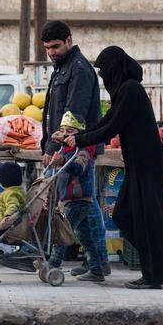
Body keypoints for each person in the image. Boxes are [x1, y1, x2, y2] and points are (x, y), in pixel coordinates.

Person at [65, 46, 163, 289]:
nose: (104, 76)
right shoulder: (124, 91)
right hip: (138, 166)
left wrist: (81, 140)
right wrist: (79, 134)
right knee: (125, 215)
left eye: (105, 70)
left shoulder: (131, 89)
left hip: (148, 166)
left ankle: (153, 275)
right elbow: (106, 121)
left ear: (115, 68)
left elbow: (113, 127)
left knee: (148, 220)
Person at [40, 21, 109, 276]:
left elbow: (73, 115)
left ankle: (86, 263)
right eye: (47, 48)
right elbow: (52, 113)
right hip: (66, 148)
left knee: (76, 205)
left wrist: (55, 148)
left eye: (56, 46)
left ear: (69, 40)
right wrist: (47, 144)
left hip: (78, 149)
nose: (51, 52)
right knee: (76, 205)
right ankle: (94, 264)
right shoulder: (62, 68)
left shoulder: (79, 69)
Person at [48, 114, 106, 282]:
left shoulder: (84, 150)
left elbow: (78, 169)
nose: (65, 135)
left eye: (70, 132)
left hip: (79, 199)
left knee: (62, 231)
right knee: (84, 236)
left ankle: (53, 265)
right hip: (68, 199)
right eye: (62, 131)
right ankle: (96, 269)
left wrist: (62, 161)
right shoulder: (63, 150)